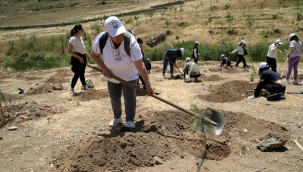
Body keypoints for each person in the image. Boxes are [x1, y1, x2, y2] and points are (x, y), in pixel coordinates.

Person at [91, 16, 153, 128]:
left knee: (130, 97)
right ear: (109, 34)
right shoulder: (102, 40)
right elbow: (94, 55)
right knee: (114, 97)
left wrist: (147, 85)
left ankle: (130, 120)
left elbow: (140, 65)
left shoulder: (131, 42)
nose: (119, 36)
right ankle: (117, 117)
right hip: (112, 74)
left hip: (130, 74)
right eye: (115, 34)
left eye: (120, 32)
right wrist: (104, 69)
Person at [68, 24, 89, 96]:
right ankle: (72, 89)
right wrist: (79, 57)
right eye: (82, 29)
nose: (82, 31)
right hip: (76, 58)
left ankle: (85, 86)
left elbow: (79, 48)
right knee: (77, 73)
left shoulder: (80, 38)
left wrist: (84, 53)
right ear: (78, 30)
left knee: (82, 73)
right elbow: (69, 51)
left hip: (82, 56)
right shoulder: (73, 39)